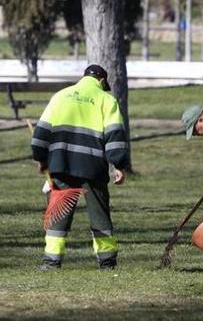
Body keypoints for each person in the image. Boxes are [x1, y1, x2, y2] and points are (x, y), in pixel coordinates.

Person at [31, 65, 129, 270]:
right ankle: (107, 261)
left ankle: (51, 261)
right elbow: (115, 135)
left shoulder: (60, 96)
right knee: (99, 213)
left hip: (61, 163)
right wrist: (118, 164)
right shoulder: (107, 100)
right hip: (92, 166)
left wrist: (40, 158)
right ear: (102, 82)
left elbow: (42, 131)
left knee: (58, 212)